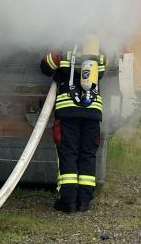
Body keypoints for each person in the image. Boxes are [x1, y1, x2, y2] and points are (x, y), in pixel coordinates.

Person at [40, 45, 107, 213]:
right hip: (92, 112)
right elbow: (102, 73)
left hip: (68, 112)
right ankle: (84, 201)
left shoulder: (63, 49)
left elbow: (45, 67)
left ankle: (68, 201)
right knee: (88, 154)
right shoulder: (98, 50)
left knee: (68, 153)